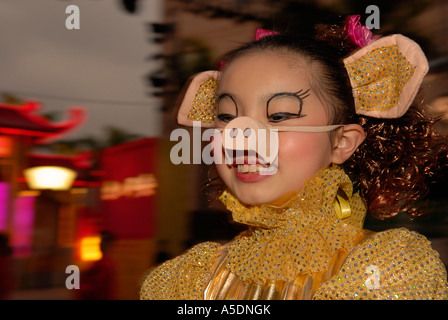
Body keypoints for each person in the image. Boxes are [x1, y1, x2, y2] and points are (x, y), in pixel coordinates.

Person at [140, 16, 448, 300]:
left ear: (342, 142)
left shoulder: (390, 271)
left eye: (278, 115)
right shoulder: (183, 282)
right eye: (226, 116)